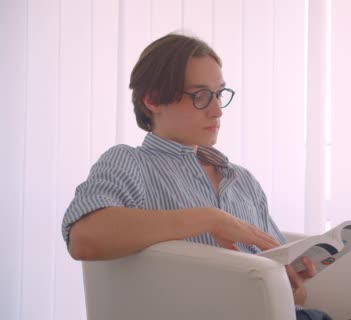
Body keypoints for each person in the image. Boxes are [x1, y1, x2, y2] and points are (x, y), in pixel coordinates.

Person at [61, 33, 332, 320]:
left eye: (219, 94)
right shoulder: (130, 162)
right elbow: (84, 238)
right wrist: (210, 218)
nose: (217, 111)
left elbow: (298, 297)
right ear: (153, 99)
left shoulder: (243, 181)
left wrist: (292, 284)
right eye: (200, 96)